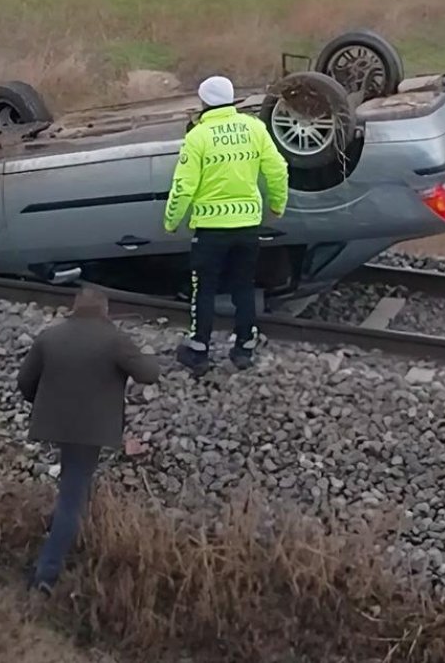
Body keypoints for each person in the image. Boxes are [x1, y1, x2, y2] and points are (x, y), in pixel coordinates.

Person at [17, 286, 160, 593]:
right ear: (105, 310)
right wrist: (146, 353)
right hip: (91, 430)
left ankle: (55, 532)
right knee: (73, 495)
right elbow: (149, 374)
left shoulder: (50, 336)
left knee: (71, 482)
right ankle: (46, 575)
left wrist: (45, 406)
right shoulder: (114, 340)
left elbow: (25, 382)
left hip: (55, 424)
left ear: (75, 307)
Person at [163, 74, 289, 375]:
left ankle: (199, 350)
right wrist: (277, 204)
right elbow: (278, 169)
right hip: (247, 225)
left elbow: (184, 186)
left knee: (203, 289)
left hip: (210, 229)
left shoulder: (198, 137)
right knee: (243, 286)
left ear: (204, 101)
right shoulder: (254, 128)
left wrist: (171, 220)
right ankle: (244, 347)